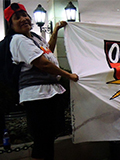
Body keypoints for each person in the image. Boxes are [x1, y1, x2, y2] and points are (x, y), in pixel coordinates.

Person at [4, 3, 78, 160]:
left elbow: (47, 52)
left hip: (48, 93)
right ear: (11, 24)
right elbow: (42, 63)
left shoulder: (35, 38)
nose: (23, 19)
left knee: (48, 136)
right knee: (42, 138)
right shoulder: (18, 40)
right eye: (17, 18)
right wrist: (68, 75)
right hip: (36, 95)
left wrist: (56, 30)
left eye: (25, 16)